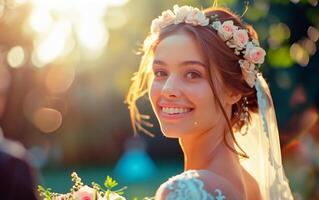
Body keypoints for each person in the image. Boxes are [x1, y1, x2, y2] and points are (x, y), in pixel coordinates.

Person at [126, 5, 294, 200]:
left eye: (192, 74)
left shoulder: (184, 192)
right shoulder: (251, 185)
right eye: (161, 73)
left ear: (233, 90)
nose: (168, 90)